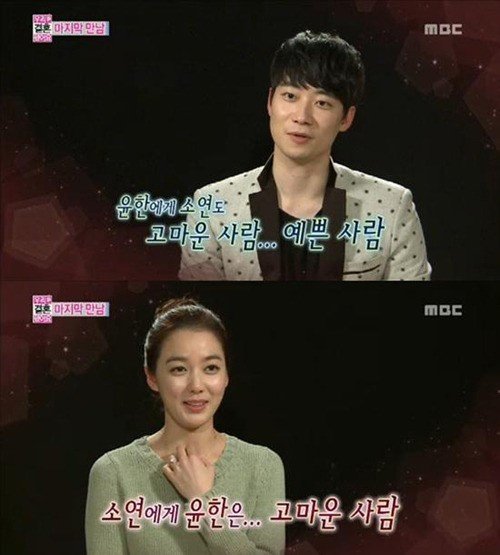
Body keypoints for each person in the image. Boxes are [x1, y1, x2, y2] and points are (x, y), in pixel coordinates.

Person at [178, 30, 431, 281]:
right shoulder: (212, 207)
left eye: (322, 103)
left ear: (346, 118)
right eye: (290, 96)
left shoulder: (392, 207)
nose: (302, 117)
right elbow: (198, 305)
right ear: (270, 101)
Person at [85, 298, 286, 554]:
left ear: (226, 375)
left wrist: (203, 502)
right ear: (152, 377)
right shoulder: (113, 472)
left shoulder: (263, 466)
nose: (196, 385)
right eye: (179, 369)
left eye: (211, 368)